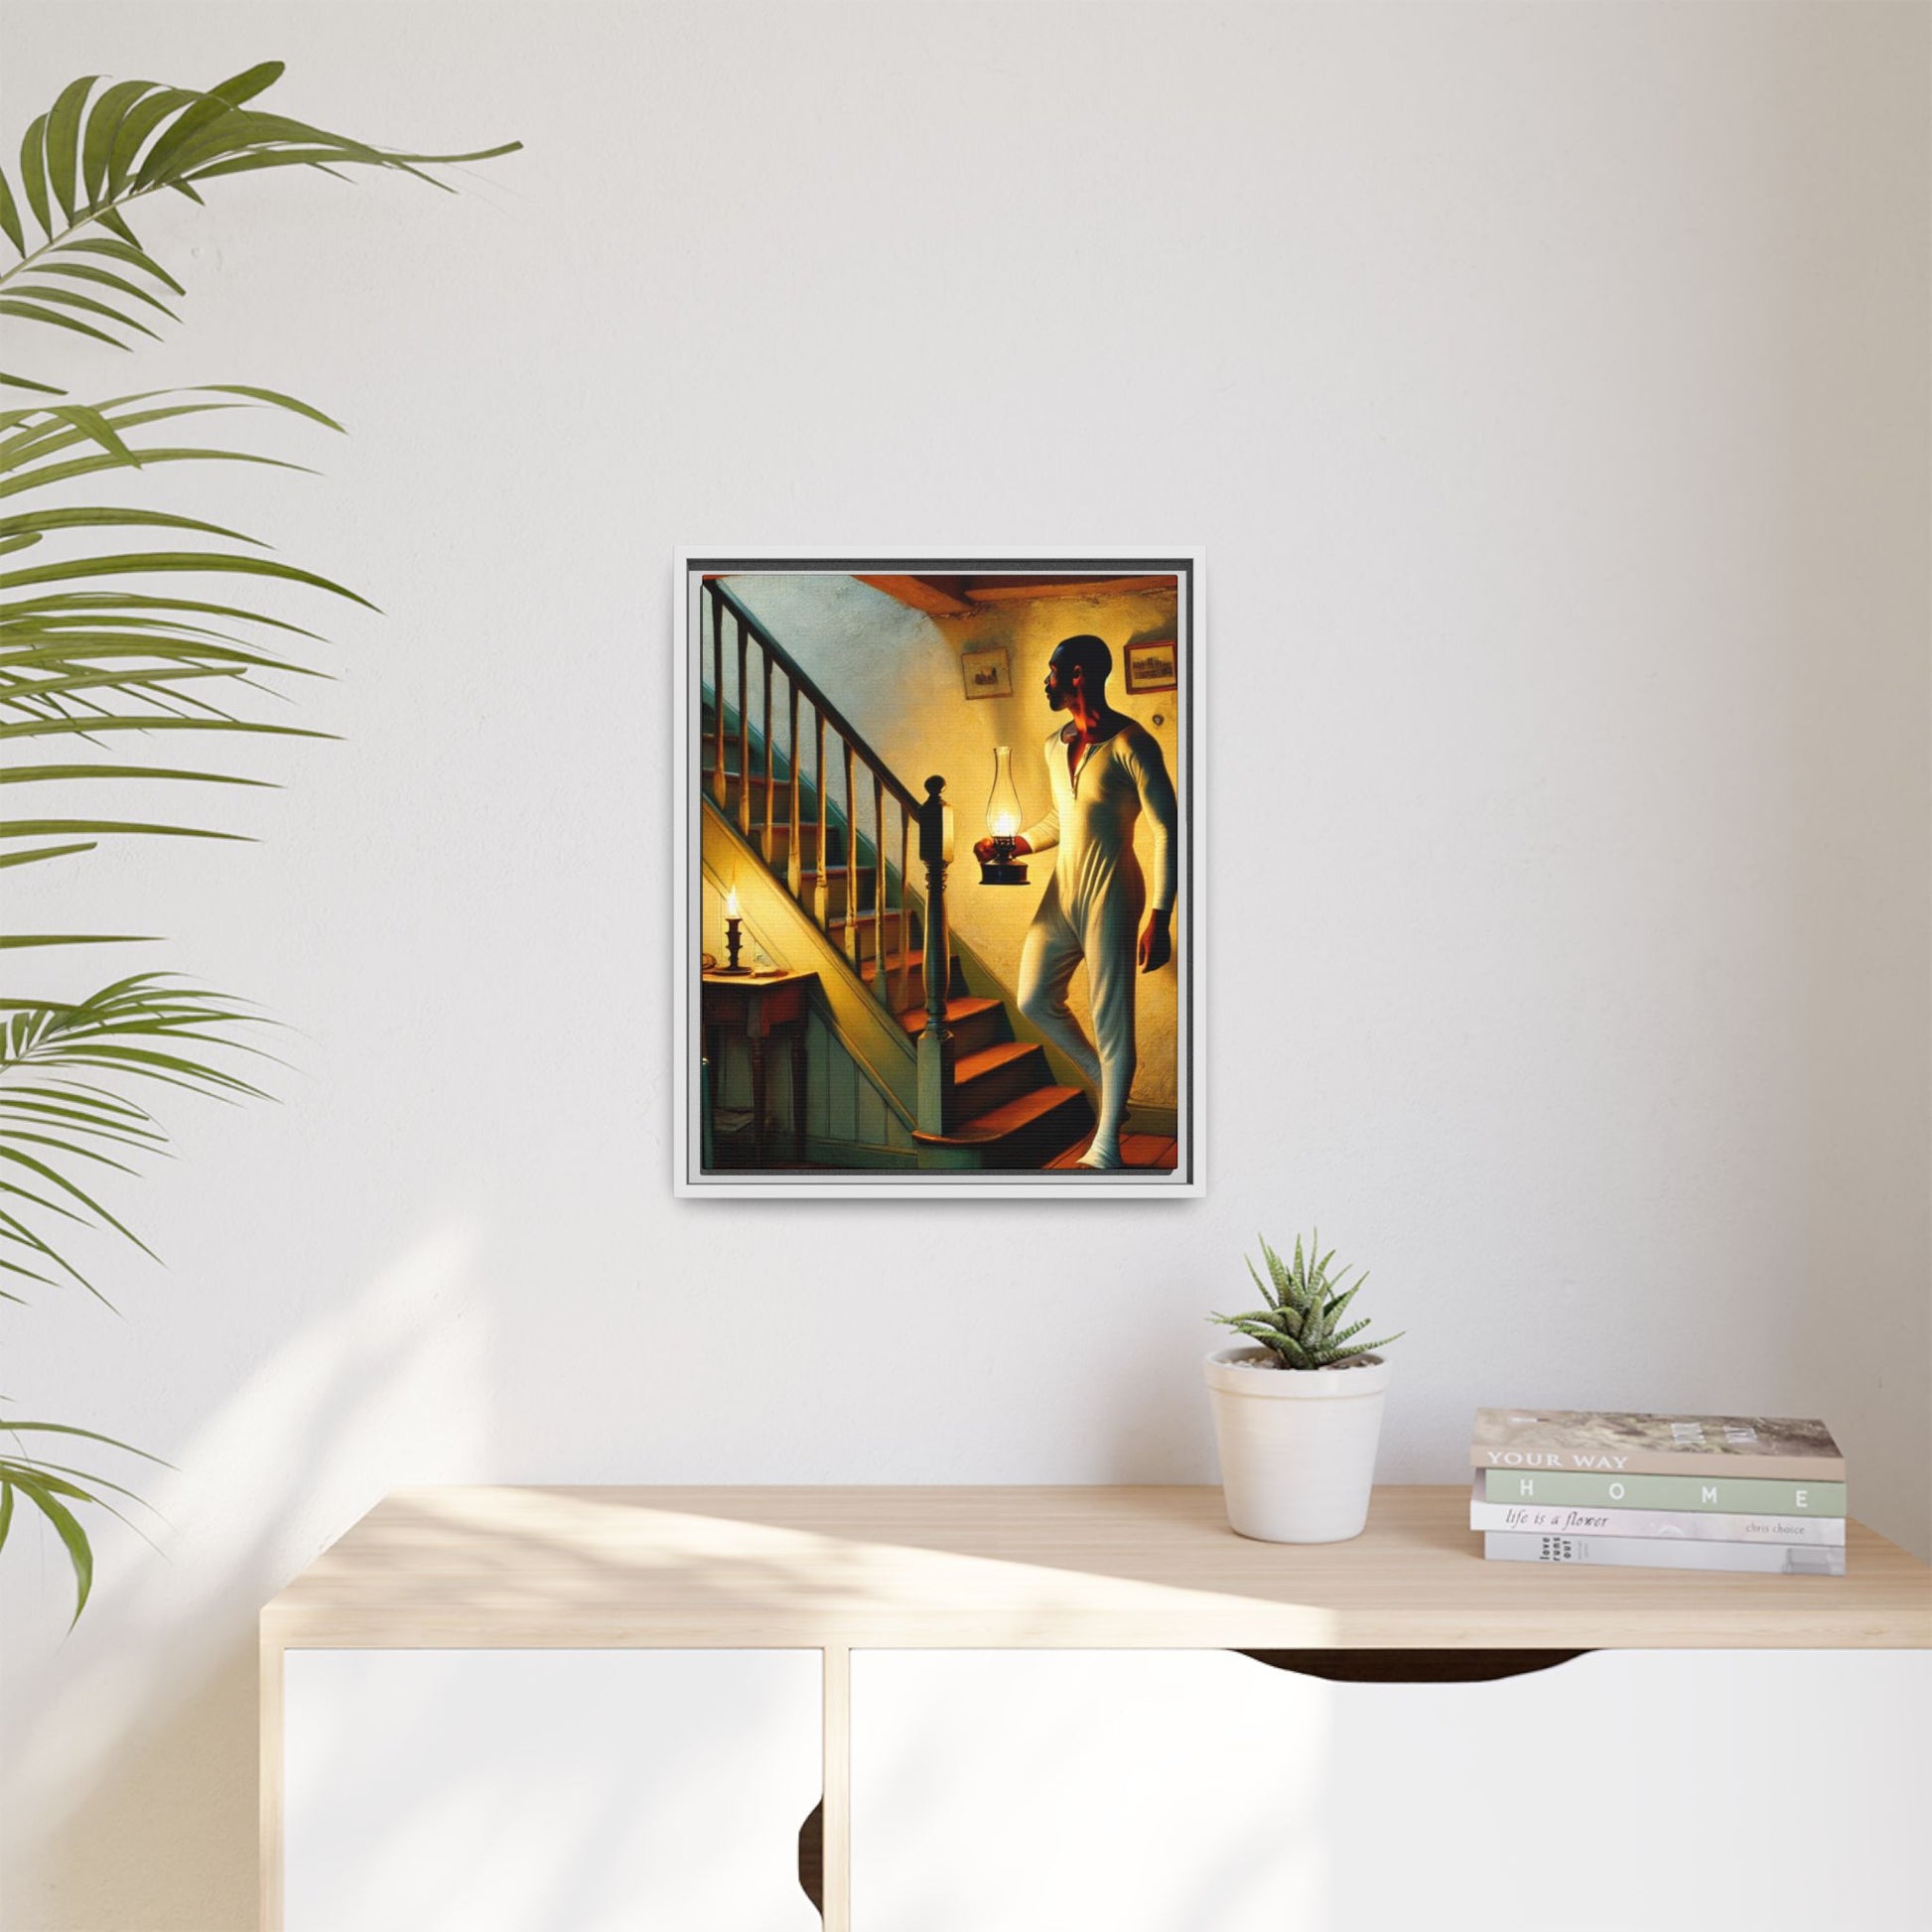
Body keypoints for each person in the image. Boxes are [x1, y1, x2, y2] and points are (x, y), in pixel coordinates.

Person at [975, 634, 1177, 1171]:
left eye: (1053, 671)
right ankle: (1107, 1085)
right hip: (1062, 892)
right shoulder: (1053, 742)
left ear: (1079, 675)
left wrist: (1160, 913)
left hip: (1114, 891)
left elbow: (1169, 829)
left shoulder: (1133, 744)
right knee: (1034, 998)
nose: (1047, 680)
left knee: (1112, 1018)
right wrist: (1014, 844)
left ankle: (1106, 1148)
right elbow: (1062, 820)